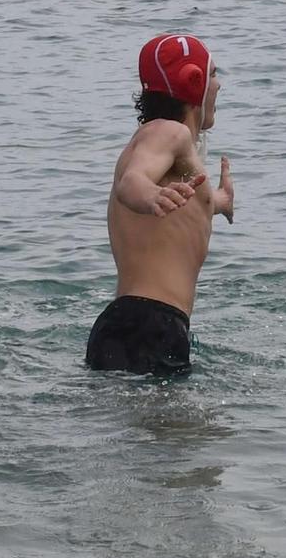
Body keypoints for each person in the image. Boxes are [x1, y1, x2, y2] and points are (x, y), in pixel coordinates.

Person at [86, 34, 236, 376]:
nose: (219, 85)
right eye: (213, 74)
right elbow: (133, 182)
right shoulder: (170, 134)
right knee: (189, 429)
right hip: (152, 327)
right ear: (193, 82)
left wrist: (220, 201)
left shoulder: (157, 140)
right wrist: (149, 195)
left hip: (127, 323)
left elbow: (183, 208)